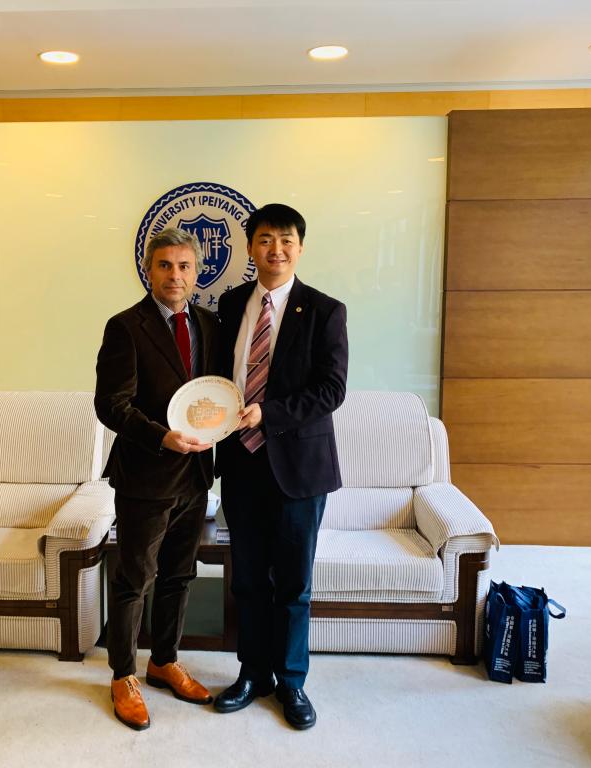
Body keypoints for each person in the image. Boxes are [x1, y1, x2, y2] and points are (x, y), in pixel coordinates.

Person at [213, 203, 348, 730]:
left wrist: (268, 413)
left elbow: (331, 390)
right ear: (251, 247)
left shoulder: (324, 310)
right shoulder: (230, 305)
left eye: (287, 240)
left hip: (299, 468)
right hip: (241, 462)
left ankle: (292, 682)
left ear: (300, 248)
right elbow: (217, 377)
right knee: (247, 579)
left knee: (293, 584)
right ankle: (252, 673)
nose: (276, 249)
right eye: (266, 239)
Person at [94, 227, 219, 731]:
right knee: (134, 579)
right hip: (146, 474)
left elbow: (214, 392)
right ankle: (123, 674)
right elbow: (111, 404)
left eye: (184, 266)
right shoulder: (126, 326)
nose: (175, 275)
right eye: (165, 265)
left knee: (180, 574)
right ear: (149, 270)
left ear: (196, 272)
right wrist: (161, 437)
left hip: (197, 473)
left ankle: (164, 661)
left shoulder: (208, 324)